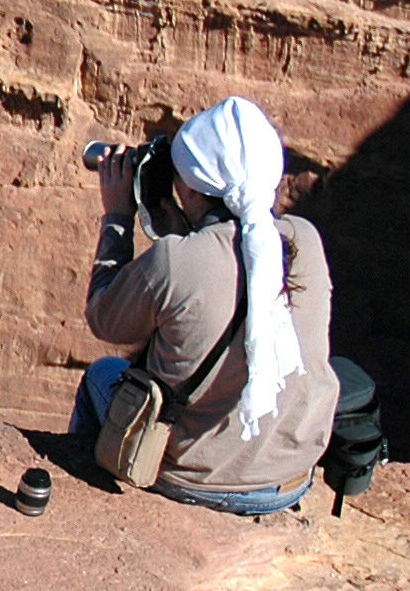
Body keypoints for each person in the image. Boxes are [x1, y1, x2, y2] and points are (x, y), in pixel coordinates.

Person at [73, 97, 341, 514]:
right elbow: (233, 265)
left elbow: (105, 319)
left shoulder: (175, 260)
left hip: (196, 481)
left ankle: (89, 502)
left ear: (191, 186)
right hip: (289, 478)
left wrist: (118, 217)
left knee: (102, 375)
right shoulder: (303, 240)